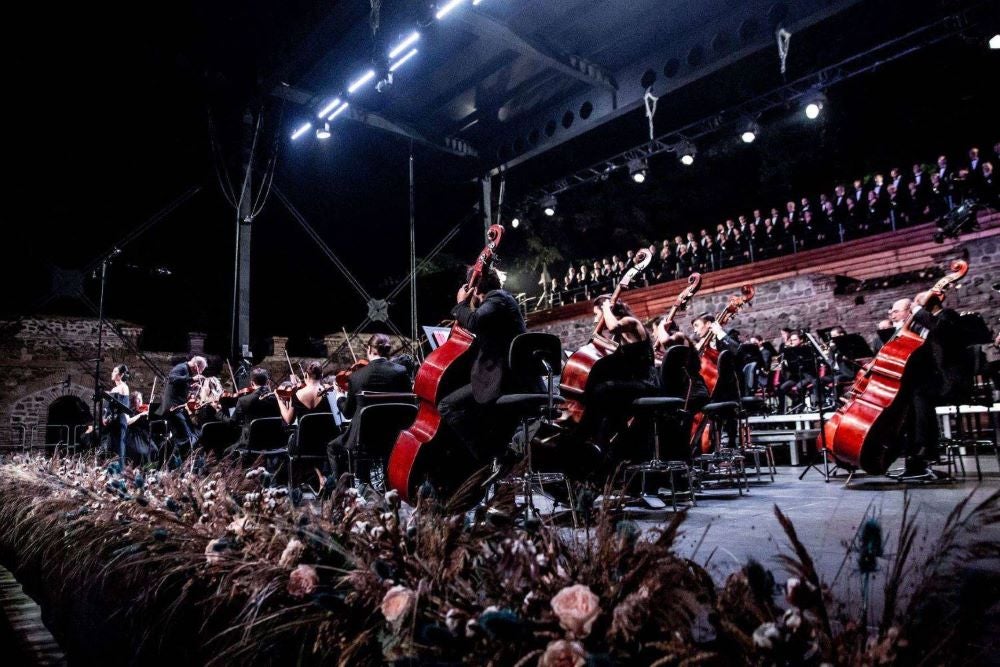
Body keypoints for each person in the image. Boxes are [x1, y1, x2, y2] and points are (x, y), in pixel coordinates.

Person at [438, 266, 528, 464]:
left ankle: (491, 458)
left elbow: (474, 321)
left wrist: (461, 303)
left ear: (475, 288)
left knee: (447, 405)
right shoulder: (502, 301)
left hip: (506, 380)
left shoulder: (497, 298)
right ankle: (496, 452)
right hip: (509, 377)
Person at [897, 289, 966, 479]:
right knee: (909, 397)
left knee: (919, 395)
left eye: (918, 304)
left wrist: (919, 312)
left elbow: (941, 333)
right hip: (932, 380)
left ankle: (926, 450)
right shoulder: (922, 325)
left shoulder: (948, 316)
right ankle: (914, 454)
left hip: (951, 381)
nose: (914, 308)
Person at [328, 334, 411, 482]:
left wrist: (339, 397)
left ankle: (347, 490)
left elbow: (347, 413)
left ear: (369, 349)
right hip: (394, 438)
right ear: (388, 350)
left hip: (364, 441)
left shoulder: (357, 377)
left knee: (332, 447)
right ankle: (388, 482)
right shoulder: (401, 372)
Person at [218, 366, 281, 449]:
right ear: (268, 382)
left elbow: (232, 423)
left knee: (226, 451)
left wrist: (218, 412)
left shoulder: (243, 400)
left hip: (251, 444)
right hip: (275, 442)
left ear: (252, 383)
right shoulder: (278, 398)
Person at [158, 355, 206, 453]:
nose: (200, 373)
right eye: (201, 370)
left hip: (178, 408)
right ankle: (179, 462)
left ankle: (165, 460)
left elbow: (179, 387)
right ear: (196, 365)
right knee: (185, 437)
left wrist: (190, 386)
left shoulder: (185, 370)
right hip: (173, 408)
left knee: (188, 434)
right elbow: (172, 379)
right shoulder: (182, 367)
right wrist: (191, 379)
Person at [104, 364, 131, 463]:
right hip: (113, 420)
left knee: (120, 446)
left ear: (121, 374)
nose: (112, 373)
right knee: (113, 445)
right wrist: (106, 417)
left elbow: (121, 406)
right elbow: (109, 407)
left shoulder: (123, 387)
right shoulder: (114, 389)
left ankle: (121, 469)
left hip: (120, 419)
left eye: (115, 371)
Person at [124, 390, 157, 464]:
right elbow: (128, 422)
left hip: (144, 435)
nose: (140, 401)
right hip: (133, 436)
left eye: (141, 399)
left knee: (154, 449)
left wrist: (149, 411)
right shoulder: (130, 411)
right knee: (142, 453)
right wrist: (140, 415)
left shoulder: (143, 409)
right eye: (138, 399)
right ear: (133, 401)